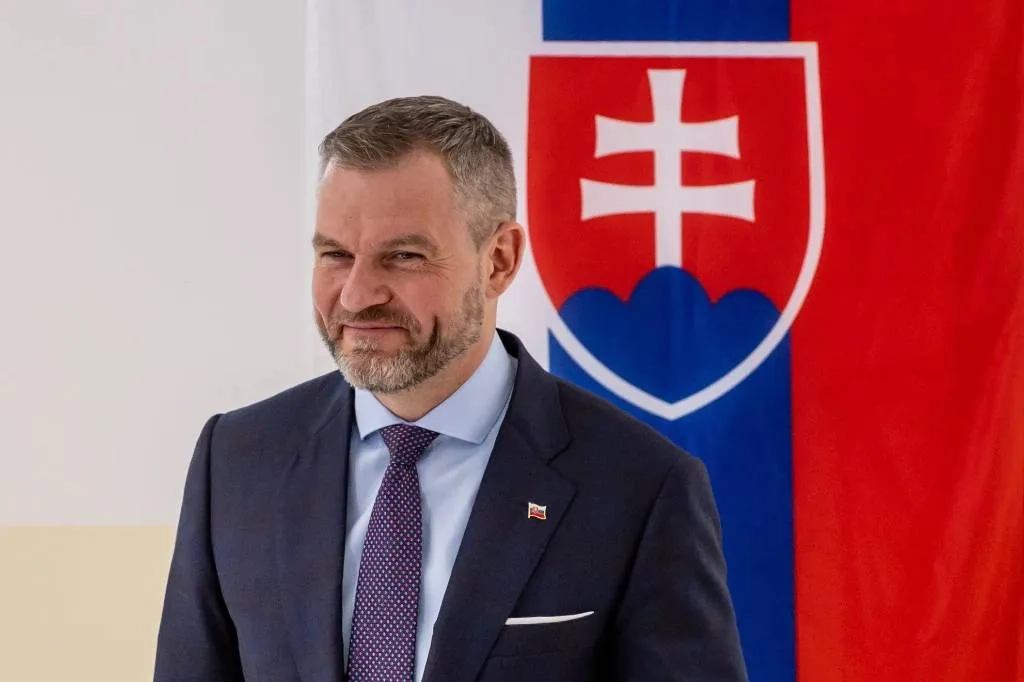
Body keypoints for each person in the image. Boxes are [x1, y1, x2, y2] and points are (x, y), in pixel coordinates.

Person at [154, 95, 747, 682]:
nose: (357, 295)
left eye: (404, 256)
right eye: (335, 254)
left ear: (499, 261)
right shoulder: (237, 460)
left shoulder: (641, 487)